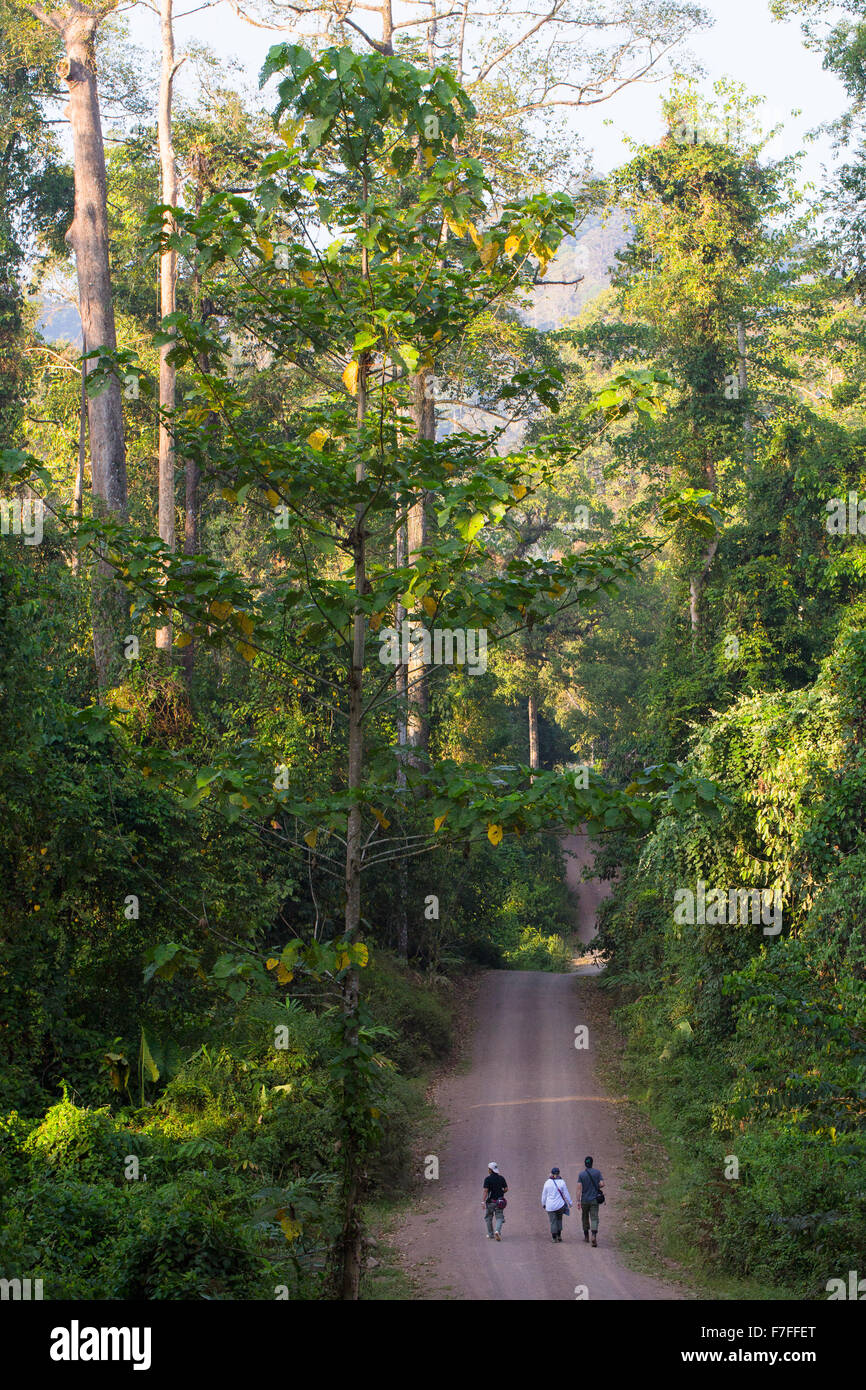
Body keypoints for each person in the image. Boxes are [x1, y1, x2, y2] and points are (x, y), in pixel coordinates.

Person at [577, 1155, 605, 1246]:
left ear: (585, 1164)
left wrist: (578, 1201)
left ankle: (586, 1237)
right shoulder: (597, 1172)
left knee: (584, 1217)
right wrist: (597, 1186)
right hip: (594, 1200)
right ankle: (593, 1235)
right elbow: (602, 1184)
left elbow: (579, 1189)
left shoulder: (581, 1174)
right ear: (592, 1163)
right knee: (594, 1218)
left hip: (584, 1200)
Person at [540, 1165, 573, 1242]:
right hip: (560, 1205)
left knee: (553, 1221)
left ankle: (554, 1238)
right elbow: (566, 1193)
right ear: (559, 1174)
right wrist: (570, 1203)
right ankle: (559, 1235)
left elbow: (544, 1195)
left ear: (551, 1174)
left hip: (550, 1206)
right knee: (559, 1220)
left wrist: (543, 1203)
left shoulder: (547, 1183)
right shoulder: (562, 1182)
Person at [482, 1161, 508, 1240]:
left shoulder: (487, 1179)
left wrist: (483, 1201)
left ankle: (490, 1234)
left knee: (488, 1218)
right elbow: (506, 1189)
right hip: (500, 1202)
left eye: (488, 1169)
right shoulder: (501, 1178)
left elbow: (486, 1191)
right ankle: (497, 1231)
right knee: (499, 1217)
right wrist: (501, 1192)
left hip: (490, 1202)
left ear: (490, 1170)